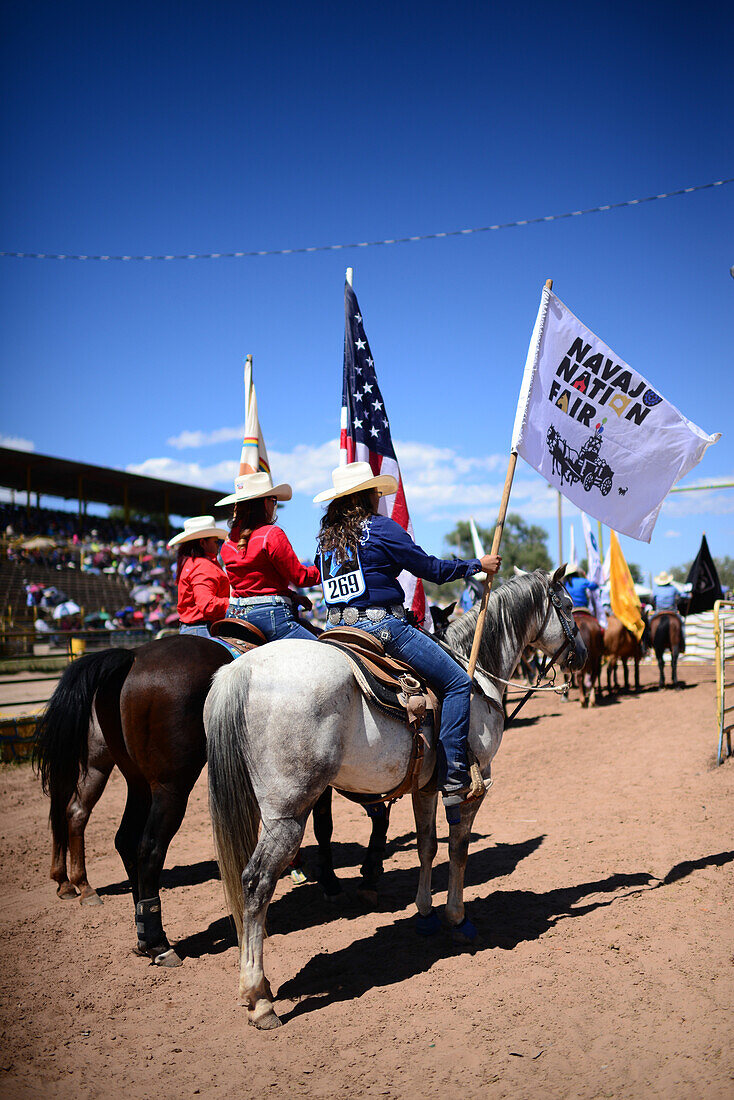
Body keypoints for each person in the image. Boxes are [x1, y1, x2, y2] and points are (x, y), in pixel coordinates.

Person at [313, 461, 501, 810]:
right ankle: (454, 776)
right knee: (459, 683)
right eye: (375, 493)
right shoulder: (381, 529)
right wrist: (477, 564)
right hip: (381, 628)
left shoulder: (326, 541)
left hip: (335, 632)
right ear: (367, 496)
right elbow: (431, 569)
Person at [216, 470, 320, 641]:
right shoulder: (271, 534)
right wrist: (327, 570)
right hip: (271, 618)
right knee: (323, 652)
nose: (274, 505)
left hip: (235, 617)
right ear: (264, 503)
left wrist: (292, 596)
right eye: (274, 500)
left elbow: (252, 586)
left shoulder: (228, 541)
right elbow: (301, 577)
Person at [167, 516, 231, 639]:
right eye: (215, 541)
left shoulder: (190, 563)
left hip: (194, 630)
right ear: (202, 542)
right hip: (204, 631)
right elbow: (208, 605)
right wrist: (235, 603)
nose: (218, 545)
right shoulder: (203, 565)